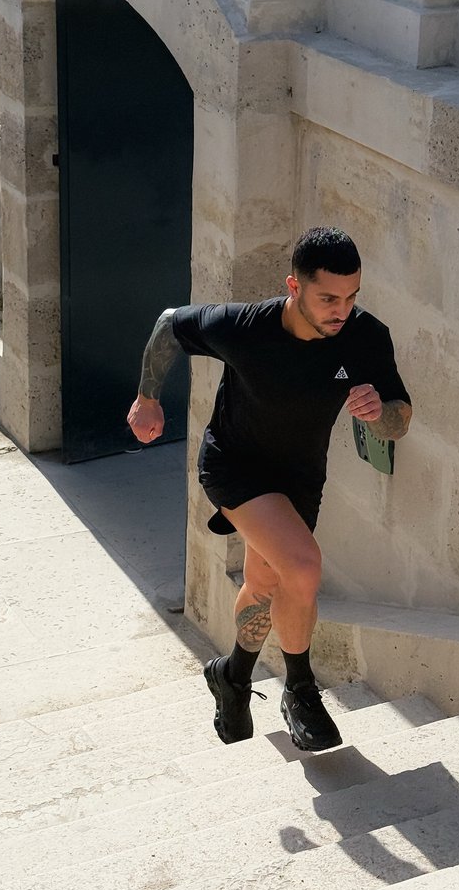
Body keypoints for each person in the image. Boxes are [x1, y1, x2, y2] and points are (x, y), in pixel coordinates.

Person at [127, 226, 412, 752]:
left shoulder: (366, 336)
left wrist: (382, 415)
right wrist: (147, 398)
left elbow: (400, 418)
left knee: (265, 582)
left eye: (351, 297)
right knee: (302, 566)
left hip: (300, 479)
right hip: (234, 466)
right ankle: (301, 689)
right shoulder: (244, 326)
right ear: (294, 286)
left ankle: (231, 677)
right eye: (328, 298)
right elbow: (170, 326)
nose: (340, 310)